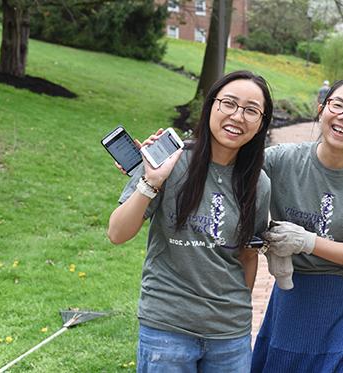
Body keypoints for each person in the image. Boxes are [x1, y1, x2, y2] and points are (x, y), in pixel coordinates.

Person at [107, 70, 274, 373]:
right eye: (229, 103)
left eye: (251, 110)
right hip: (167, 328)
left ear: (261, 122)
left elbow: (248, 255)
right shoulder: (169, 161)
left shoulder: (258, 183)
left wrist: (235, 310)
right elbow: (117, 233)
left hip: (229, 336)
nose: (238, 116)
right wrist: (151, 181)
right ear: (211, 106)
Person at [251, 79, 343, 372]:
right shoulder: (282, 161)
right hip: (295, 296)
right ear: (321, 110)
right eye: (338, 105)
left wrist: (307, 241)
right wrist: (173, 160)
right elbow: (227, 167)